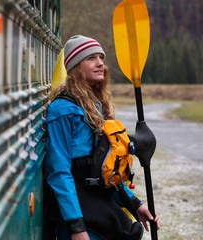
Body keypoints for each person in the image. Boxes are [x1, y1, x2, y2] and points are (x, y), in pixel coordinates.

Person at [44, 35, 160, 240]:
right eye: (91, 58)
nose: (100, 64)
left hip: (101, 202)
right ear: (76, 66)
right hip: (81, 210)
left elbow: (106, 168)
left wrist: (135, 204)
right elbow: (59, 171)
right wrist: (76, 227)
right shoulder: (62, 110)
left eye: (101, 58)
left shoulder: (96, 106)